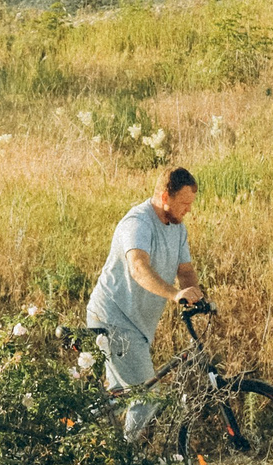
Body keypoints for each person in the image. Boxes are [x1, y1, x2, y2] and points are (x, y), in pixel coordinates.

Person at [87, 166, 203, 440]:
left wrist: (197, 294)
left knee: (119, 397)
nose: (188, 210)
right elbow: (138, 267)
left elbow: (185, 270)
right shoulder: (138, 222)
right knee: (147, 397)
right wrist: (175, 294)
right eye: (183, 203)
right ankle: (127, 461)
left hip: (135, 325)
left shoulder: (178, 228)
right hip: (113, 318)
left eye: (191, 203)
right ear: (164, 197)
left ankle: (87, 437)